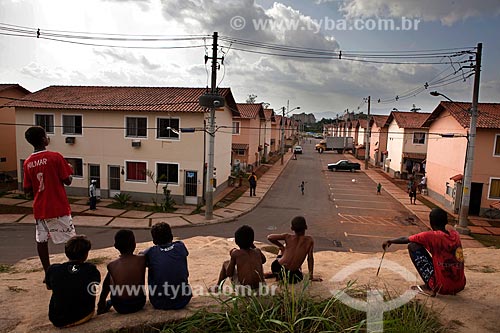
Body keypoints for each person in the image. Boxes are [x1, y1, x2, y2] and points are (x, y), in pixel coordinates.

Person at [23, 126, 76, 276]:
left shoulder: (27, 162)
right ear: (42, 139)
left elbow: (27, 189)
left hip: (40, 208)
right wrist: (70, 169)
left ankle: (47, 273)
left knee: (41, 240)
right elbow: (68, 181)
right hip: (58, 206)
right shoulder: (55, 157)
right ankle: (73, 270)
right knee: (71, 240)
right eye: (46, 136)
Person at [382, 208, 466, 296]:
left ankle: (430, 287)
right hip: (460, 285)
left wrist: (390, 241)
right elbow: (449, 228)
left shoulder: (431, 236)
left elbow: (406, 239)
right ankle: (447, 282)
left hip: (442, 287)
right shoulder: (455, 234)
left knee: (413, 246)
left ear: (431, 222)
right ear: (446, 222)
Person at [45, 235, 101, 328]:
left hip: (58, 320)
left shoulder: (53, 269)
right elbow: (96, 284)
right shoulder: (90, 268)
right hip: (84, 315)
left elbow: (48, 287)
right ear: (86, 254)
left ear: (66, 253)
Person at [142, 222, 192, 310]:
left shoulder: (151, 252)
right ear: (171, 236)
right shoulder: (180, 247)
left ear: (154, 241)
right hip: (183, 299)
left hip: (159, 302)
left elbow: (140, 257)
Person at [97, 230, 146, 315]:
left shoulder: (112, 265)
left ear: (115, 246)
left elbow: (107, 286)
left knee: (111, 275)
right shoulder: (142, 259)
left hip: (121, 307)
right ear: (134, 244)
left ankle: (102, 303)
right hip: (140, 302)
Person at [212, 225, 266, 292]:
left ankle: (217, 286)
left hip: (245, 290)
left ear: (236, 242)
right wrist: (252, 245)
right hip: (262, 288)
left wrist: (232, 255)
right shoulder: (257, 251)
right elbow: (264, 260)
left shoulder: (236, 253)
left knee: (225, 263)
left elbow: (229, 273)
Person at [266, 216, 321, 283]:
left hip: (277, 268)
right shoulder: (309, 240)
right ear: (306, 227)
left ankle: (275, 274)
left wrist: (281, 247)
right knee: (298, 269)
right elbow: (310, 258)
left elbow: (270, 237)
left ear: (292, 228)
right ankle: (279, 275)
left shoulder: (288, 237)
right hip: (292, 276)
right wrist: (311, 277)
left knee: (284, 246)